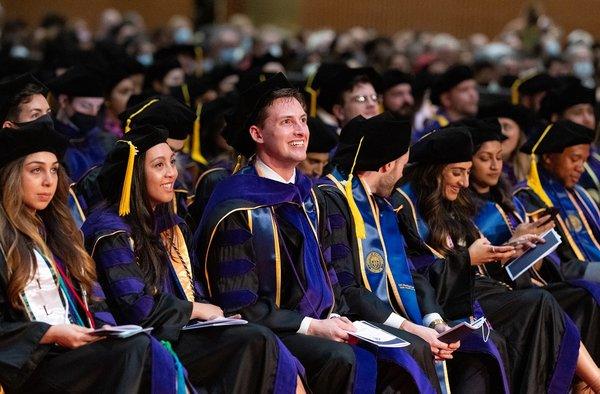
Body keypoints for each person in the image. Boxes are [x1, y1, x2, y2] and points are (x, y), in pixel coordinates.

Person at [196, 73, 438, 393]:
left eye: (302, 120)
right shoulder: (236, 207)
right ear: (257, 133)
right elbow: (239, 306)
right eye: (286, 122)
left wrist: (338, 317)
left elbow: (336, 280)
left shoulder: (313, 197)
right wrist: (313, 326)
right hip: (269, 334)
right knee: (343, 356)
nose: (300, 131)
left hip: (323, 323)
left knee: (411, 347)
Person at [82, 124, 304, 393]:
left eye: (172, 162)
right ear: (134, 175)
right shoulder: (110, 231)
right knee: (254, 341)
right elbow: (137, 308)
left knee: (258, 338)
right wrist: (197, 311)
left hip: (182, 331)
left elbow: (192, 289)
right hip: (148, 343)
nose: (172, 173)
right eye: (159, 165)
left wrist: (213, 316)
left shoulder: (170, 225)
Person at [392, 126, 600, 393]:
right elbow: (415, 275)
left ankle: (587, 383)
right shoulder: (404, 207)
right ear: (433, 172)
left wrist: (508, 249)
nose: (465, 182)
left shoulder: (449, 203)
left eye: (466, 172)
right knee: (540, 303)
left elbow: (475, 260)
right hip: (450, 301)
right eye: (457, 173)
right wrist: (468, 259)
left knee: (579, 296)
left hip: (475, 287)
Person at [318, 112, 510, 393]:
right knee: (416, 347)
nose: (403, 174)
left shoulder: (385, 204)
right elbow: (348, 289)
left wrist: (435, 321)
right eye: (402, 166)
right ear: (386, 166)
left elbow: (414, 272)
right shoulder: (332, 200)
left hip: (399, 317)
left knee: (478, 343)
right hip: (359, 317)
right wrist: (412, 327)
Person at [0, 122, 186, 394]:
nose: (49, 181)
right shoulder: (4, 242)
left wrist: (105, 331)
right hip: (33, 364)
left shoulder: (60, 235)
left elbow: (93, 299)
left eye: (54, 170)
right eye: (36, 170)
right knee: (136, 351)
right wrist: (49, 334)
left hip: (77, 354)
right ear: (12, 177)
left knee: (141, 346)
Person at [466, 117, 600, 366]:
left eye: (499, 157)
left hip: (530, 282)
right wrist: (513, 244)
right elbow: (476, 268)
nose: (495, 166)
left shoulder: (510, 200)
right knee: (579, 294)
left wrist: (536, 248)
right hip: (499, 291)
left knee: (587, 295)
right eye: (485, 159)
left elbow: (543, 267)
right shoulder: (464, 208)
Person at [513, 120, 600, 275]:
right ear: (547, 157)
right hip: (566, 279)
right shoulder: (527, 197)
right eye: (574, 159)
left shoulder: (580, 194)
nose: (581, 167)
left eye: (584, 160)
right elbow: (549, 263)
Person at [48, 65, 116, 181]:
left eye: (98, 107)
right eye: (86, 106)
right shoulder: (49, 142)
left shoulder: (106, 141)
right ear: (64, 100)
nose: (93, 113)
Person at [539, 80, 600, 205]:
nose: (587, 119)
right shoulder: (543, 161)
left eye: (590, 112)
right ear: (556, 118)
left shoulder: (597, 157)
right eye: (578, 113)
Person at [415, 65, 478, 141]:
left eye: (474, 88)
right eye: (464, 90)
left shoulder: (474, 125)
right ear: (446, 99)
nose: (473, 95)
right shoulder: (435, 132)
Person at [478, 102, 533, 186]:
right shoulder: (478, 174)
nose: (501, 133)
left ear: (519, 135)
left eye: (506, 127)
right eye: (495, 126)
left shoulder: (532, 171)